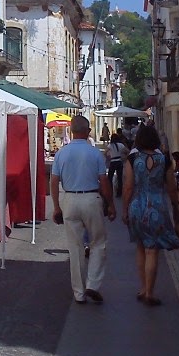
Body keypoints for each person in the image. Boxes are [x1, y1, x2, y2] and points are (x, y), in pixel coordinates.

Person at [50, 115, 116, 304]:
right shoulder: (95, 153)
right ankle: (92, 284)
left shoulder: (61, 153)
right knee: (98, 242)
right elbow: (104, 181)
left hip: (70, 199)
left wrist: (56, 206)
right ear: (87, 131)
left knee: (75, 247)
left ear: (71, 131)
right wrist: (110, 204)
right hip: (91, 198)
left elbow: (53, 181)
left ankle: (78, 293)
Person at [122, 124, 179, 306]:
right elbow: (171, 187)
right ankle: (150, 292)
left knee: (140, 247)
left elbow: (128, 186)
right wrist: (176, 208)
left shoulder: (132, 159)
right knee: (152, 250)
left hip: (137, 205)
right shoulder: (164, 159)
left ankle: (143, 287)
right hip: (157, 206)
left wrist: (124, 209)